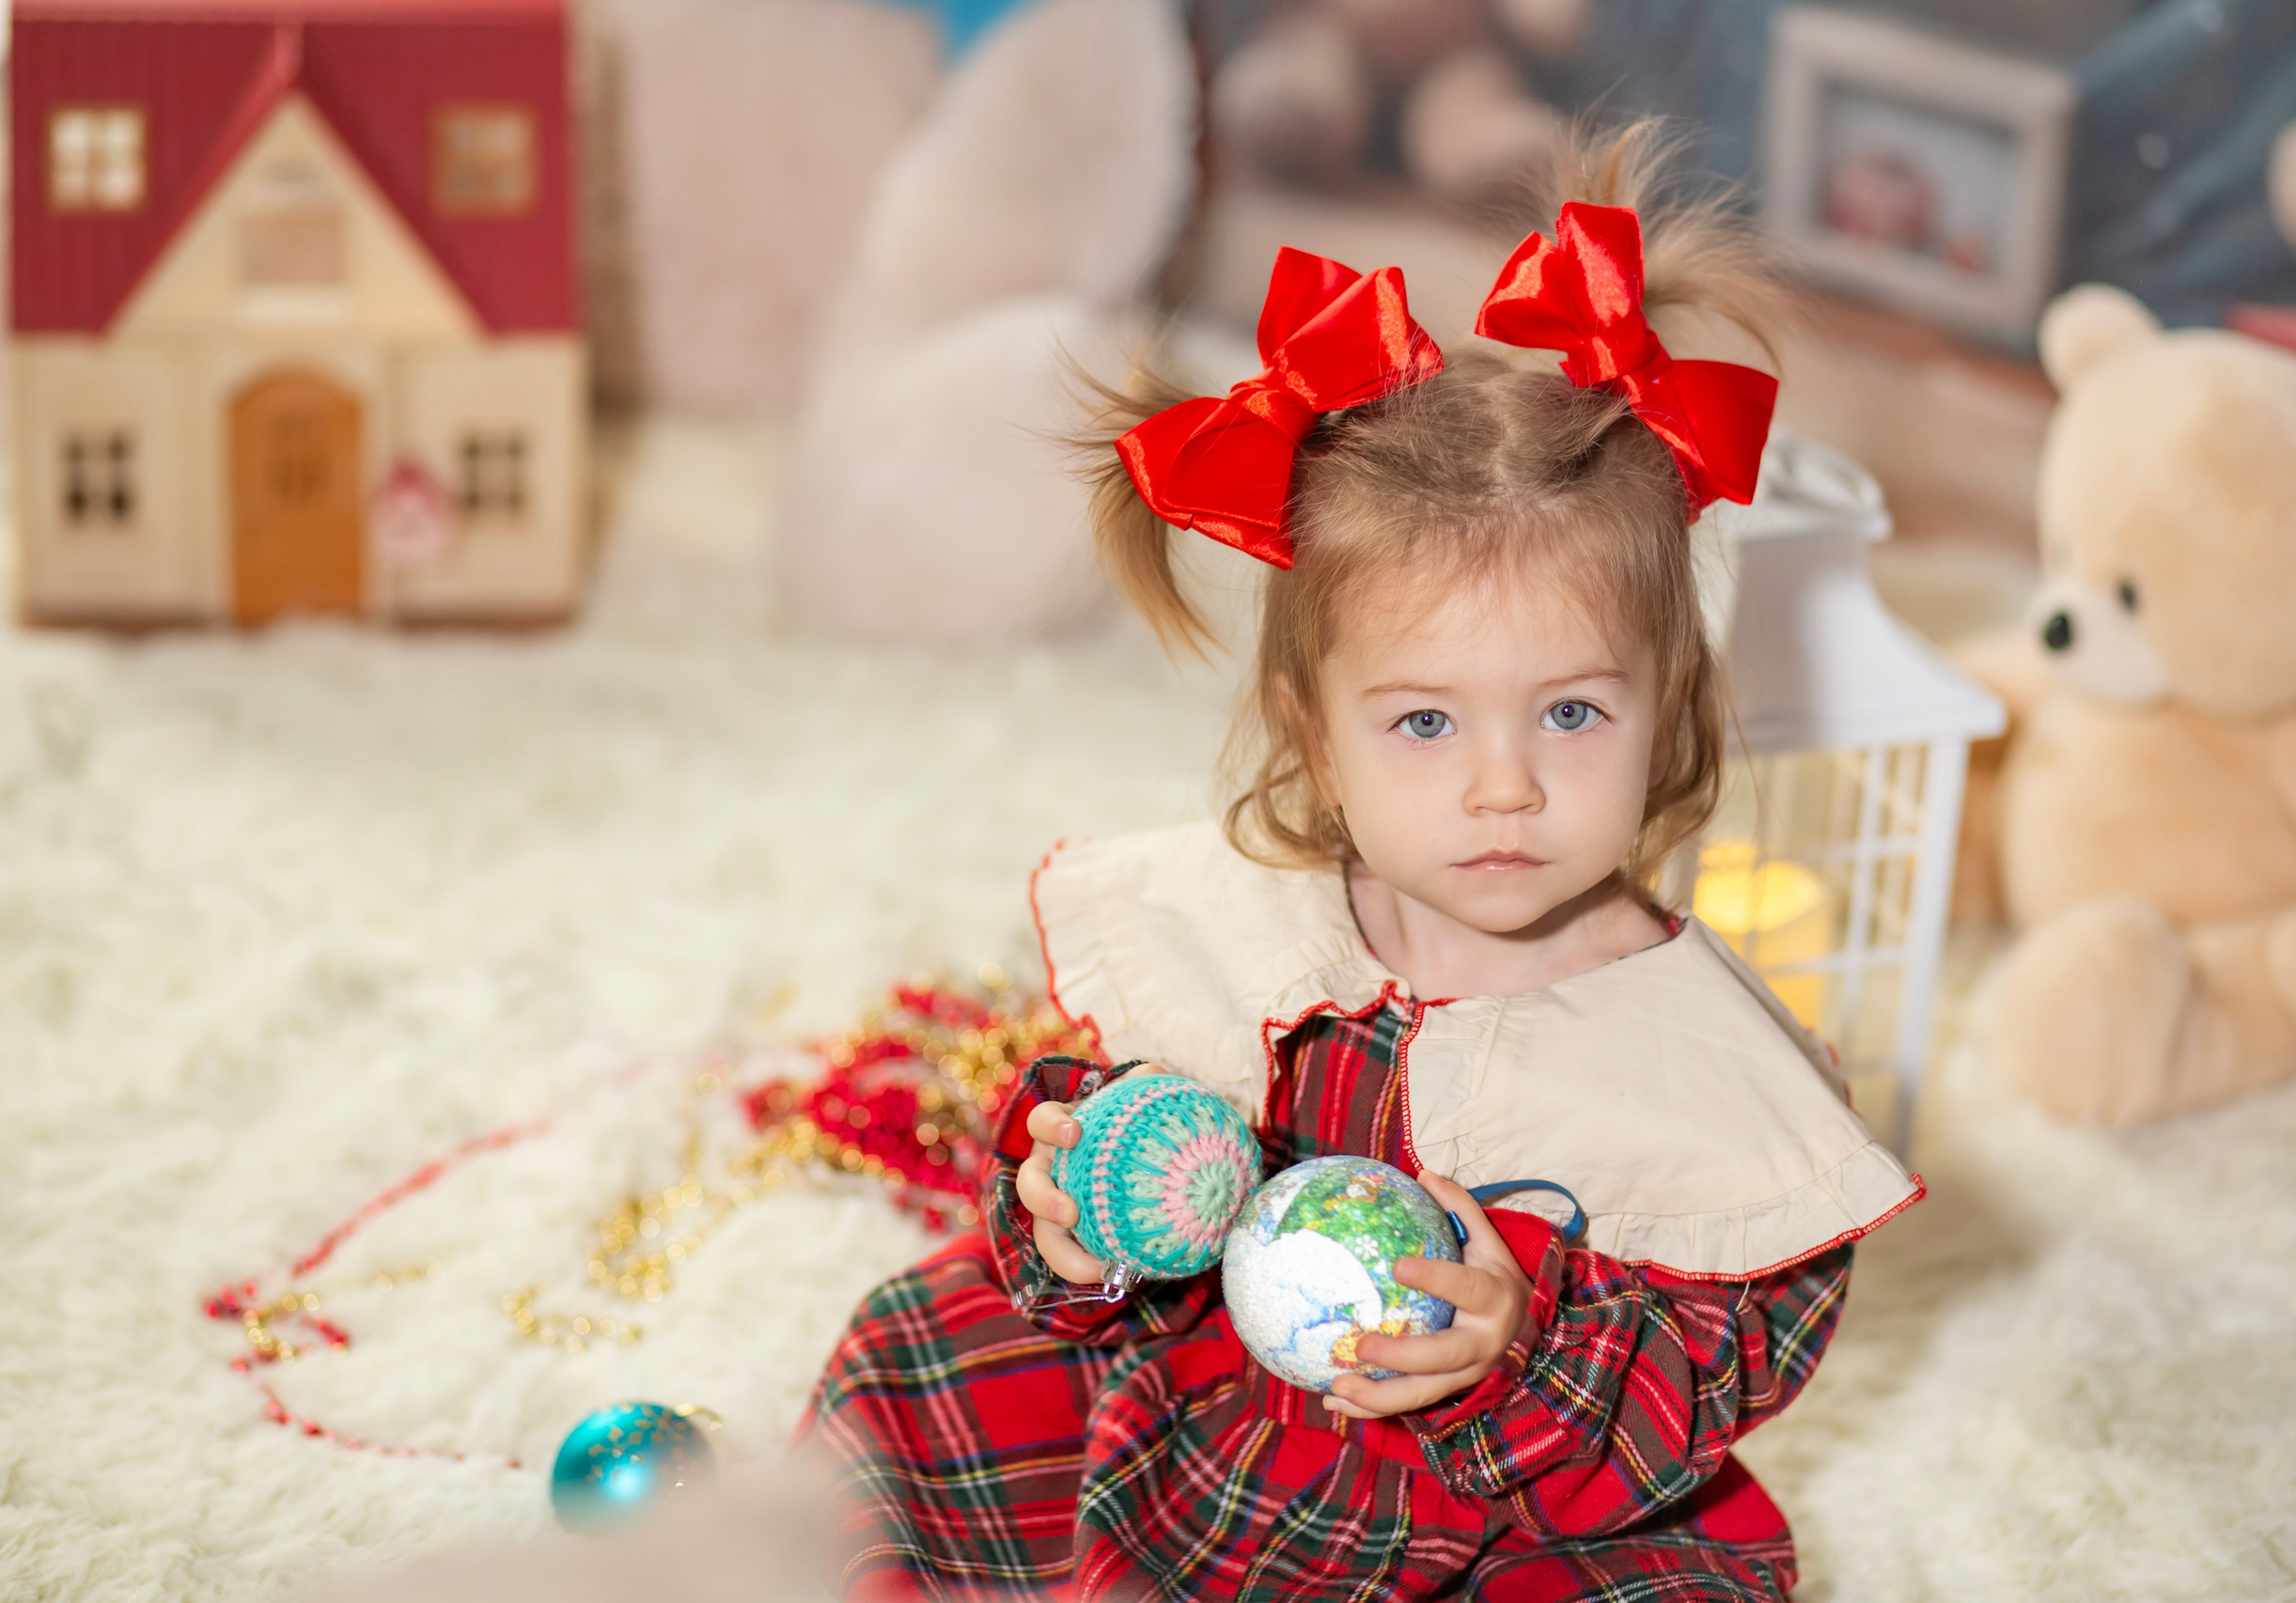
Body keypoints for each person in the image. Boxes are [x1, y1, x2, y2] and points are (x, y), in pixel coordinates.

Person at [799, 124, 1922, 1602]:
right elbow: (1118, 1122)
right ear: (1315, 740)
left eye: (1573, 711)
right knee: (922, 1355)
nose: (1504, 782)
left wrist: (1518, 1339)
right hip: (1203, 1415)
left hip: (1495, 1505)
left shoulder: (1690, 1054)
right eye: (1424, 721)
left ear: (1674, 716)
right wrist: (1074, 1204)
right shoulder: (1271, 937)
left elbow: (1715, 1361)